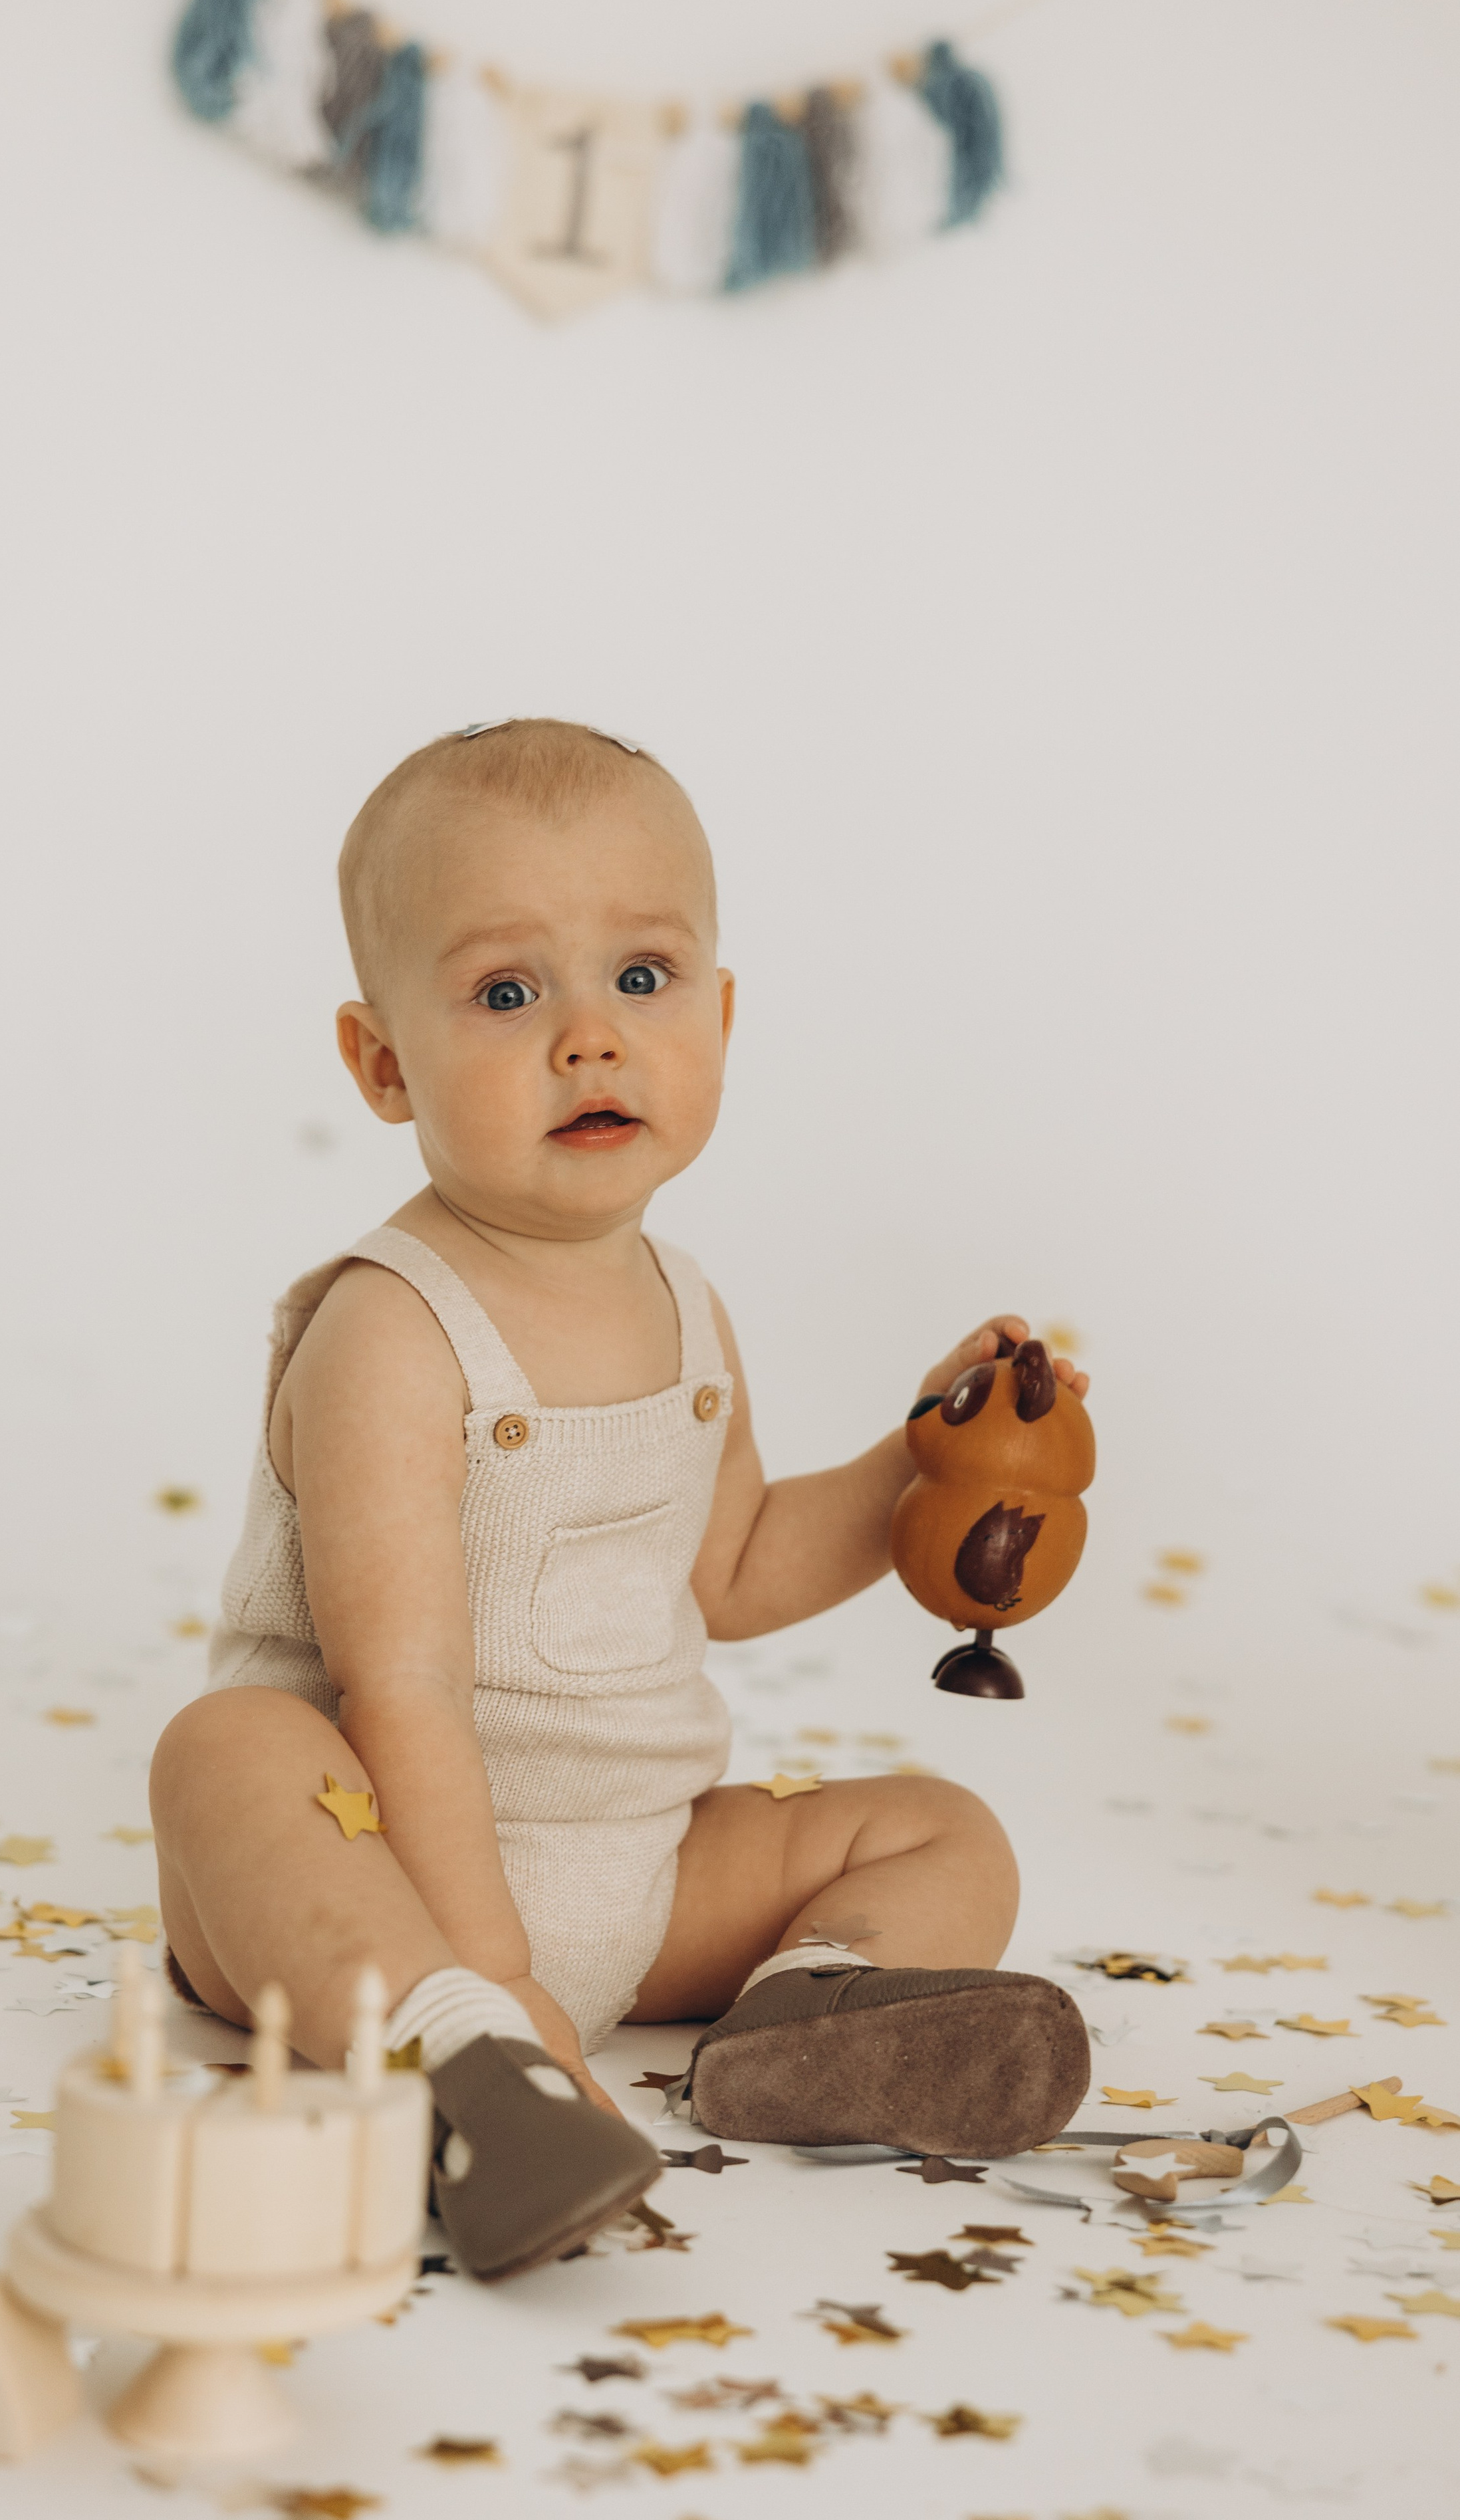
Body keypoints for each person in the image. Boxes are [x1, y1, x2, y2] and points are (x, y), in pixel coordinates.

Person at [150, 718, 1091, 2281]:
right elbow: (400, 1686)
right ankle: (457, 2065)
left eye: (640, 978)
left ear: (718, 1015)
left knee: (944, 1831)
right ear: (382, 1064)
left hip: (638, 1873)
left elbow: (732, 1569)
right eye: (506, 994)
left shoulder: (683, 1303)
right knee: (229, 1753)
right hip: (370, 1879)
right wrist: (491, 1971)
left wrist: (917, 1465)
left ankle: (803, 2022)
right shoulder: (390, 1332)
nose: (588, 1038)